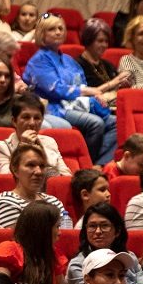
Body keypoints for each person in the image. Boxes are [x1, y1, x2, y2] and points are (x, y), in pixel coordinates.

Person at [25, 14, 116, 168]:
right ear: (42, 34)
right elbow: (56, 90)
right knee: (96, 123)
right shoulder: (38, 60)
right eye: (52, 29)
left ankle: (99, 165)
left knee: (115, 122)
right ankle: (86, 165)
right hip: (54, 108)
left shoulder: (68, 59)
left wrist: (95, 96)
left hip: (76, 104)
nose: (58, 32)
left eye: (60, 28)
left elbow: (81, 83)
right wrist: (90, 91)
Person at [66, 202, 143, 284]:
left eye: (104, 225)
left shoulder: (129, 258)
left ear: (117, 231)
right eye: (92, 226)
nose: (98, 231)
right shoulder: (77, 265)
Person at [0, 142, 72, 229]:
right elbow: (18, 239)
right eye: (31, 165)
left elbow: (63, 238)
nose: (39, 172)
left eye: (42, 166)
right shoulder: (7, 200)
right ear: (15, 170)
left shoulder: (54, 201)